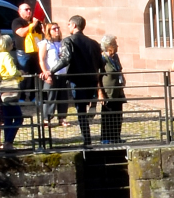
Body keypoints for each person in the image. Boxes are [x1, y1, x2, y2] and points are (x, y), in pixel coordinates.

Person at [64, 14, 103, 147]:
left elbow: (65, 60)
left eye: (69, 24)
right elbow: (100, 64)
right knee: (84, 107)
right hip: (92, 79)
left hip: (77, 80)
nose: (68, 26)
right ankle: (93, 103)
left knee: (81, 110)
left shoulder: (69, 41)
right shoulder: (93, 43)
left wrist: (51, 71)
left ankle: (87, 139)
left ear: (74, 25)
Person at [0, 33, 23, 147]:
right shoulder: (6, 55)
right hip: (10, 85)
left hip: (2, 85)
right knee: (19, 118)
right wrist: (21, 74)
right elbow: (12, 72)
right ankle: (8, 141)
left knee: (8, 117)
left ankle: (7, 141)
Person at [39, 20, 68, 126]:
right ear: (49, 31)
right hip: (52, 72)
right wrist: (45, 72)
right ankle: (47, 118)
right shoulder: (45, 43)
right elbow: (41, 59)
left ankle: (62, 117)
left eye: (58, 28)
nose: (57, 30)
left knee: (63, 96)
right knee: (50, 96)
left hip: (62, 73)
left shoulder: (63, 43)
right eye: (54, 29)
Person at [99, 36, 125, 143]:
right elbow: (98, 77)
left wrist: (123, 78)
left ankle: (116, 137)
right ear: (109, 47)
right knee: (107, 116)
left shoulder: (115, 57)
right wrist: (100, 93)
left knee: (118, 115)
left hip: (118, 91)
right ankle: (105, 138)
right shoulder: (102, 59)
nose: (117, 46)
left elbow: (119, 69)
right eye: (115, 44)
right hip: (108, 92)